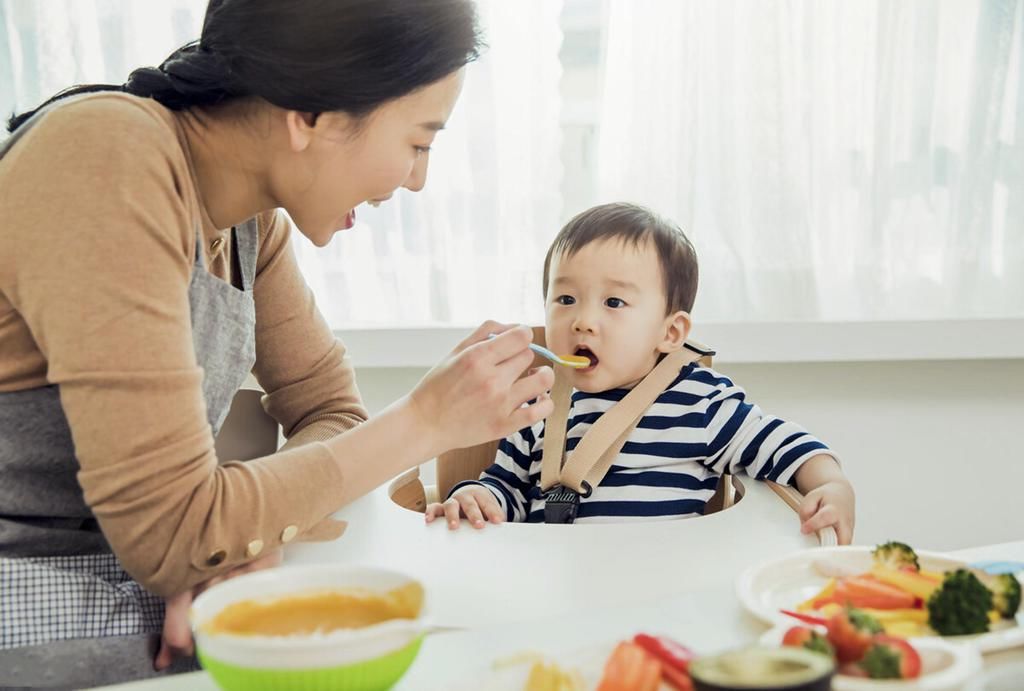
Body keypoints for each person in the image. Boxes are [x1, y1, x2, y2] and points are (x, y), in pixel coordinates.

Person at [0, 0, 555, 686]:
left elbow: (331, 408)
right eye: (419, 141)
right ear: (311, 115)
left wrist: (243, 536)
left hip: (137, 597)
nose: (417, 179)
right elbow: (179, 534)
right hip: (29, 608)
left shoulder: (248, 224)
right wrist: (426, 421)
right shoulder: (106, 156)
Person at [426, 203, 855, 541]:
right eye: (566, 300)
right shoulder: (535, 406)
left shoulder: (700, 402)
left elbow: (787, 445)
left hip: (660, 594)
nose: (583, 321)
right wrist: (479, 498)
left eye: (613, 303)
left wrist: (832, 486)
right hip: (552, 593)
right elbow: (508, 490)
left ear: (670, 332)